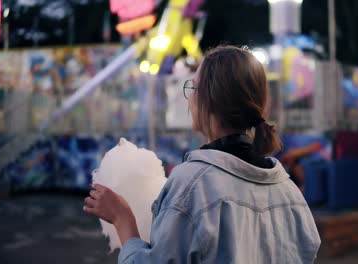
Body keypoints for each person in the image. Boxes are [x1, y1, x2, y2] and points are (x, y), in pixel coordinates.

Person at [83, 45, 321, 263]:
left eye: (193, 87)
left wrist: (123, 219)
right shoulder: (291, 194)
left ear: (207, 100)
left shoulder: (192, 186)